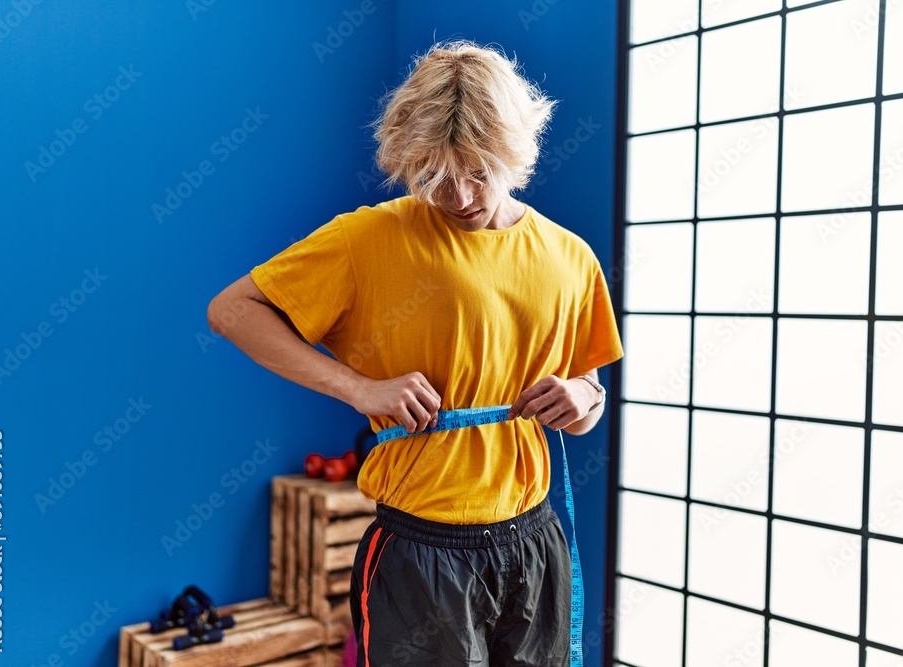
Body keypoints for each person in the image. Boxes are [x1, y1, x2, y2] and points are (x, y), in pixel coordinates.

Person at [208, 40, 622, 667]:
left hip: (535, 543)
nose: (457, 196)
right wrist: (360, 389)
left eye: (478, 172)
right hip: (422, 552)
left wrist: (583, 397)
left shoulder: (570, 257)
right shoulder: (369, 237)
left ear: (514, 154)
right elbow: (232, 311)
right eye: (434, 175)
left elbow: (588, 392)